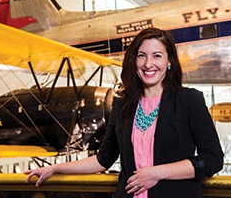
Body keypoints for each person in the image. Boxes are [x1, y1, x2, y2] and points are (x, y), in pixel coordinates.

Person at [25, 28, 224, 198]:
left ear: (169, 62)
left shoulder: (189, 100)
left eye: (157, 55)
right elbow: (103, 160)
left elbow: (212, 159)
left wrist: (157, 173)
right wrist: (55, 168)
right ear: (133, 61)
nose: (148, 64)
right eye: (141, 55)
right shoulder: (123, 105)